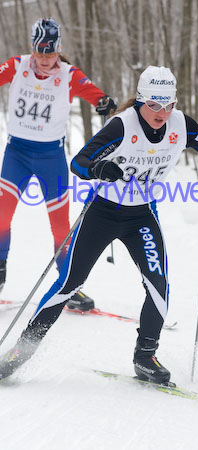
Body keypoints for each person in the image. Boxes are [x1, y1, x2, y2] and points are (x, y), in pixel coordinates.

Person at [0, 65, 198, 384]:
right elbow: (79, 162)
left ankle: (145, 357)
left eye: (168, 104)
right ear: (140, 101)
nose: (161, 112)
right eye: (154, 104)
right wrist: (100, 169)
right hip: (102, 213)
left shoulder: (180, 125)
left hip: (141, 216)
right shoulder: (122, 125)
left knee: (159, 285)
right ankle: (21, 350)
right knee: (69, 283)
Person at [0, 18, 116, 311]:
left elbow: (96, 95)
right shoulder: (17, 65)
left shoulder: (69, 74)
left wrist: (104, 103)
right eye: (39, 54)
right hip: (17, 155)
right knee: (1, 217)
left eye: (49, 54)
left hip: (50, 158)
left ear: (58, 49)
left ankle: (68, 285)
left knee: (61, 225)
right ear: (32, 48)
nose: (43, 60)